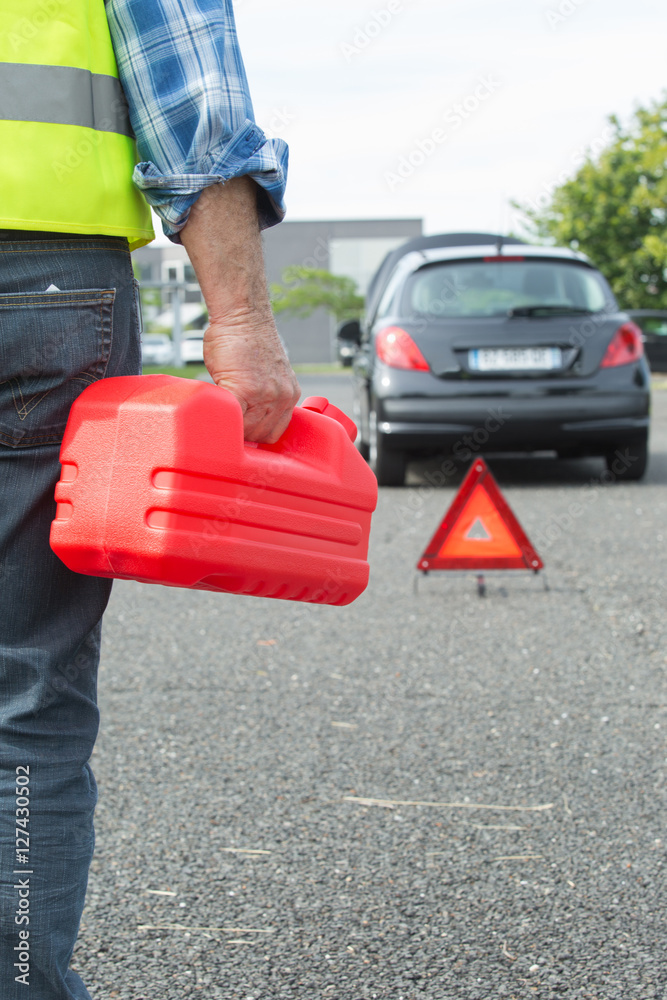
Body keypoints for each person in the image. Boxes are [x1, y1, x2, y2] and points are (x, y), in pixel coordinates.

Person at [0, 1, 299, 996]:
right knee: (23, 682)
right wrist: (240, 319)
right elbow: (192, 91)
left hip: (41, 288)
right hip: (39, 281)